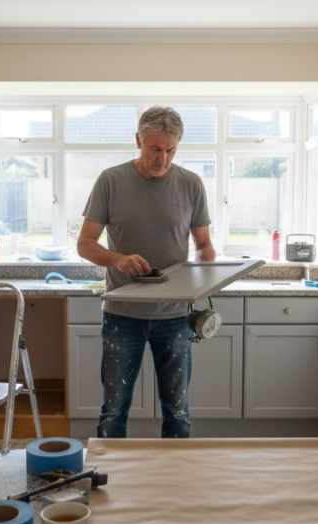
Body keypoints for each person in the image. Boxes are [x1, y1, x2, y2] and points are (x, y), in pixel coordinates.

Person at [77, 107, 216, 439]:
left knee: (177, 412)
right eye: (155, 149)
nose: (162, 159)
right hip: (122, 316)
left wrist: (204, 268)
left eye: (171, 150)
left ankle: (175, 472)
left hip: (175, 317)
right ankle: (111, 471)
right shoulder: (111, 181)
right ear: (139, 141)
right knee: (113, 410)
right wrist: (118, 260)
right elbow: (84, 244)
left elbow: (204, 245)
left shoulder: (191, 184)